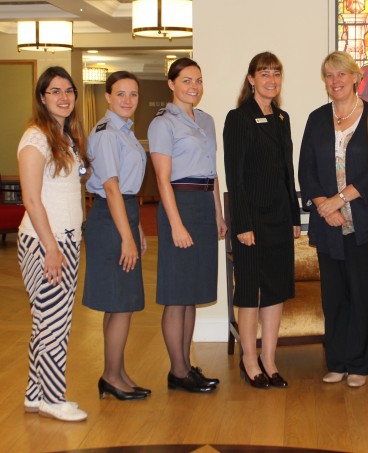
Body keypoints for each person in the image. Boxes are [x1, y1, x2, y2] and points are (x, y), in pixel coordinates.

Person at [299, 51, 368, 388]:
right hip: (328, 225)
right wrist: (326, 206)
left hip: (363, 224)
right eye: (329, 76)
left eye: (341, 74)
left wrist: (341, 199)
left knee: (362, 296)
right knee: (334, 297)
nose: (335, 81)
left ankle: (360, 364)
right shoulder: (317, 118)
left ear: (355, 77)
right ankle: (336, 361)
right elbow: (305, 170)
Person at [148, 57, 226, 393]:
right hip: (178, 205)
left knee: (192, 293)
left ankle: (186, 365)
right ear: (171, 84)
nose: (193, 86)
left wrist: (219, 214)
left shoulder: (206, 120)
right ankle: (177, 371)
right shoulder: (162, 123)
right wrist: (177, 225)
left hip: (204, 207)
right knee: (176, 295)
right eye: (186, 81)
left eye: (198, 80)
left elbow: (212, 173)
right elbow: (162, 180)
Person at [223, 52, 301, 389]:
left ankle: (270, 360)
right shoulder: (239, 118)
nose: (271, 79)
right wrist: (241, 224)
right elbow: (234, 176)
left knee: (275, 291)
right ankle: (249, 360)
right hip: (251, 221)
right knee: (250, 292)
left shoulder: (282, 118)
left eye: (276, 73)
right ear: (252, 79)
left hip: (280, 219)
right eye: (264, 73)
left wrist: (295, 217)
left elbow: (288, 173)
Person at [17, 66, 90, 421]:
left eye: (69, 91)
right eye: (55, 91)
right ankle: (53, 397)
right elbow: (31, 200)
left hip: (67, 240)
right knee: (53, 325)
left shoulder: (66, 136)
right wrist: (50, 248)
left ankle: (35, 393)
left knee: (49, 320)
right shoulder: (35, 139)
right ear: (42, 98)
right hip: (44, 244)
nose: (64, 97)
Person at [83, 71, 150, 401]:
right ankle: (111, 376)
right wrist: (127, 236)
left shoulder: (125, 131)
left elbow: (125, 188)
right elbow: (110, 188)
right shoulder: (108, 133)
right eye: (120, 94)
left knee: (118, 303)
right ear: (107, 96)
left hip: (122, 215)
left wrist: (135, 227)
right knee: (121, 304)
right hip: (111, 220)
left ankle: (117, 372)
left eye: (133, 94)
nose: (127, 100)